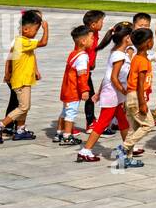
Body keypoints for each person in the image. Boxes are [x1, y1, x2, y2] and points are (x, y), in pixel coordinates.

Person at [76, 22, 135, 164]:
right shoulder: (119, 56)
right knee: (102, 123)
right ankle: (85, 150)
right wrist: (125, 91)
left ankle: (129, 148)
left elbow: (107, 76)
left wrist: (99, 92)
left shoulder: (117, 52)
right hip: (113, 94)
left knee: (122, 121)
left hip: (114, 93)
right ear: (127, 38)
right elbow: (114, 78)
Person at [0, 9, 48, 144]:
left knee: (25, 105)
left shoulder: (22, 41)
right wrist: (46, 29)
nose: (36, 33)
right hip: (21, 80)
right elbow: (43, 43)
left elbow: (30, 56)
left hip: (25, 79)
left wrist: (35, 70)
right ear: (26, 29)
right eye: (36, 30)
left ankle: (20, 129)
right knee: (23, 107)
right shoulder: (23, 41)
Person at [121, 27, 156, 165]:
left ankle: (127, 159)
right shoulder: (142, 61)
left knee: (134, 128)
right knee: (148, 124)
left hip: (131, 97)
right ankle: (124, 147)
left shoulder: (138, 58)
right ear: (148, 43)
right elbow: (140, 84)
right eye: (152, 39)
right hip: (136, 97)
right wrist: (142, 103)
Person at [55, 25, 92, 146]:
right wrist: (85, 90)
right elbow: (81, 76)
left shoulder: (73, 53)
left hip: (66, 89)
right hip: (73, 90)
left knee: (64, 112)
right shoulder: (82, 57)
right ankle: (67, 136)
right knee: (71, 113)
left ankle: (59, 133)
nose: (93, 41)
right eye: (91, 39)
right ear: (83, 41)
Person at [80, 9, 105, 129]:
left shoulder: (95, 33)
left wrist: (93, 61)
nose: (103, 24)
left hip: (87, 69)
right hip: (82, 71)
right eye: (101, 21)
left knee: (83, 96)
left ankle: (64, 126)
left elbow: (95, 49)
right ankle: (90, 123)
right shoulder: (86, 36)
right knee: (89, 96)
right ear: (93, 24)